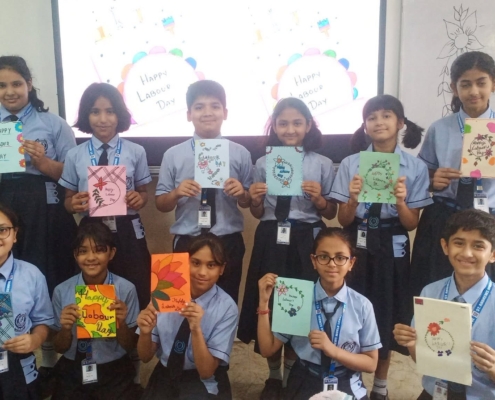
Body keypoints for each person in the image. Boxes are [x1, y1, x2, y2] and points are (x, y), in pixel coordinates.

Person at [330, 94, 433, 400]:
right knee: (352, 308)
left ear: (400, 123)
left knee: (386, 312)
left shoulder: (414, 167)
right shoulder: (350, 164)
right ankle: (353, 379)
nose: (379, 122)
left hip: (393, 240)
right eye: (371, 117)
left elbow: (411, 223)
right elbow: (343, 219)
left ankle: (381, 385)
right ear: (365, 125)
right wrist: (352, 199)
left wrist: (400, 201)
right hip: (356, 240)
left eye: (386, 116)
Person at [237, 97, 336, 398]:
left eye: (297, 123)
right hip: (271, 236)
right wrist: (254, 199)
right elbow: (257, 212)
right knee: (270, 298)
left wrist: (319, 199)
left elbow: (331, 211)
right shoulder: (262, 163)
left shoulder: (322, 163)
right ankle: (273, 376)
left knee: (297, 302)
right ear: (274, 127)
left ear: (308, 126)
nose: (290, 129)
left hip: (306, 237)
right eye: (283, 123)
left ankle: (293, 373)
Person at [59, 82, 151, 383]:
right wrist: (73, 203)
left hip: (127, 231)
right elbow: (67, 199)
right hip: (91, 231)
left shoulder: (136, 151)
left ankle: (132, 371)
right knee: (94, 288)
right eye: (95, 112)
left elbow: (144, 192)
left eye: (110, 111)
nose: (103, 119)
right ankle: (95, 360)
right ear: (86, 116)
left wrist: (139, 198)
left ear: (120, 115)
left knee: (133, 289)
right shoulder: (75, 154)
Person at [0, 55, 78, 374]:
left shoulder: (53, 124)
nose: (9, 91)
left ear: (29, 85)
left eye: (16, 83)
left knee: (44, 272)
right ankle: (7, 350)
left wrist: (43, 162)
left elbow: (73, 175)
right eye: (2, 85)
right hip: (2, 206)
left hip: (43, 208)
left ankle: (47, 360)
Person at [155, 80, 253, 304]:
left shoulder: (240, 153)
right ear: (189, 114)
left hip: (227, 241)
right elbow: (161, 203)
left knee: (225, 305)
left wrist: (242, 193)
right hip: (187, 241)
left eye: (215, 106)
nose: (207, 113)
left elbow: (249, 202)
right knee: (178, 305)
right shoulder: (173, 154)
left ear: (225, 113)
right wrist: (177, 193)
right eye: (199, 107)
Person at [257, 227, 381, 400]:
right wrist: (263, 303)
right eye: (323, 257)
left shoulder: (362, 305)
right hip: (305, 378)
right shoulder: (297, 297)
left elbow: (371, 364)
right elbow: (267, 349)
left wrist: (333, 351)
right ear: (313, 261)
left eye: (340, 257)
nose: (332, 264)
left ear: (351, 263)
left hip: (346, 379)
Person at [411, 51, 495, 297]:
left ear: (493, 84)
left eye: (481, 83)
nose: (473, 91)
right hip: (444, 215)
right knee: (435, 284)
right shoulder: (440, 128)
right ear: (454, 88)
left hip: (489, 217)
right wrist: (433, 180)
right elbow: (422, 175)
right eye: (465, 84)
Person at [394, 209, 495, 399]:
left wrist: (492, 368)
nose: (466, 253)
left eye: (478, 246)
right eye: (459, 243)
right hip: (435, 393)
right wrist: (412, 343)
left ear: (493, 254)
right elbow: (425, 360)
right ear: (445, 246)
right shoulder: (430, 292)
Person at [137, 233, 238, 399]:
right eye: (196, 263)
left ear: (222, 269)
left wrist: (196, 329)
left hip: (203, 377)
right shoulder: (164, 293)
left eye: (211, 265)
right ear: (185, 262)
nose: (202, 272)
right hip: (166, 371)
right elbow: (145, 356)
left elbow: (206, 371)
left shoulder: (227, 308)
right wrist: (145, 332)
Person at [50, 222, 140, 399]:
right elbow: (59, 348)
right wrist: (66, 329)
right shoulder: (62, 290)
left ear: (111, 253)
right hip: (73, 368)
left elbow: (130, 346)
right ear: (75, 255)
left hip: (114, 369)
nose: (91, 257)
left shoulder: (126, 289)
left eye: (99, 250)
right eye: (83, 251)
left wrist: (120, 324)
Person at [0, 203, 54, 399]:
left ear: (15, 234)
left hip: (20, 363)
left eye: (3, 230)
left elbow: (43, 321)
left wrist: (35, 340)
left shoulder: (32, 274)